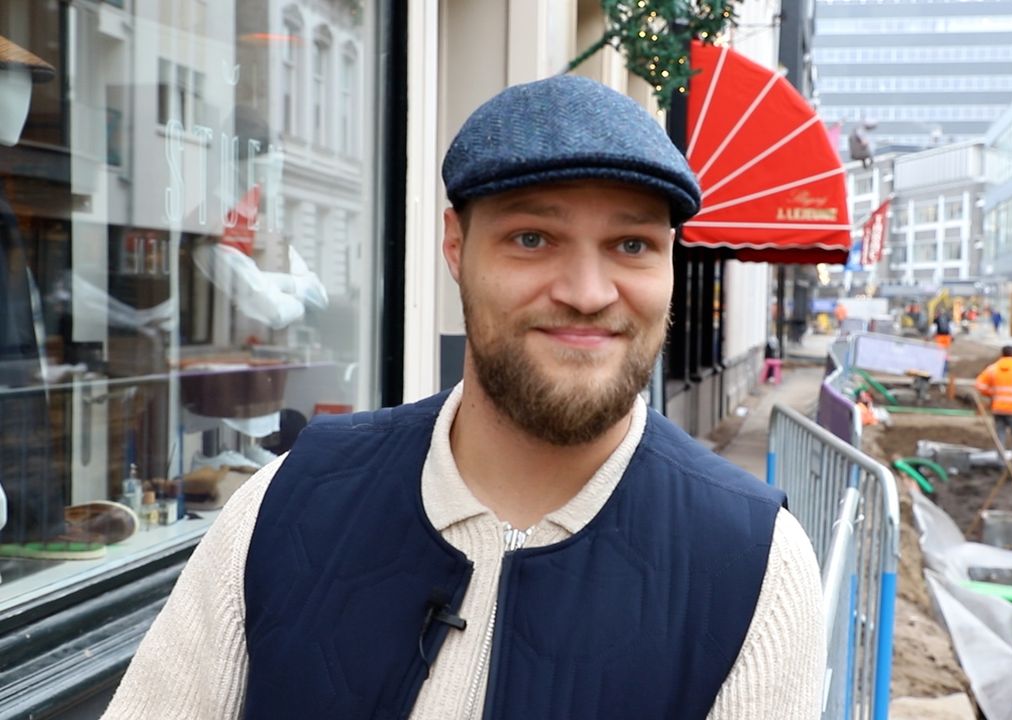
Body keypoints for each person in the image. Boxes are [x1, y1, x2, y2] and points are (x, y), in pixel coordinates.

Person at [103, 76, 824, 719]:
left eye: (631, 245)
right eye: (532, 238)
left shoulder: (754, 566)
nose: (587, 293)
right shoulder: (285, 504)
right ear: (456, 246)